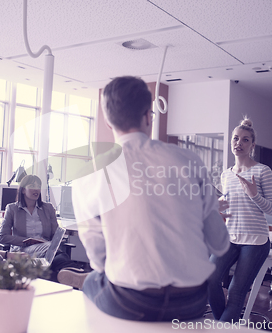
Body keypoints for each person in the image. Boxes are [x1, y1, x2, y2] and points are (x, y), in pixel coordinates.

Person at [71, 76, 230, 322]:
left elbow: (97, 255)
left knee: (94, 278)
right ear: (148, 115)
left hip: (132, 302)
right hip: (193, 301)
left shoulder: (90, 173)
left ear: (107, 120)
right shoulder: (189, 160)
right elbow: (220, 244)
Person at [208, 118, 272, 323]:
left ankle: (223, 327)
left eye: (245, 140)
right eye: (235, 138)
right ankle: (226, 326)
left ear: (252, 145)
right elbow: (230, 205)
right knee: (209, 280)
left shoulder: (263, 171)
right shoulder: (226, 175)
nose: (239, 143)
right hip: (230, 237)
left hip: (255, 241)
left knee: (235, 292)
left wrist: (254, 194)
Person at [0, 175, 86, 282]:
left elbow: (55, 235)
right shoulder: (12, 208)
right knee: (49, 247)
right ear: (23, 190)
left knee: (51, 249)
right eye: (32, 186)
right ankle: (76, 271)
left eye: (38, 186)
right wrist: (26, 241)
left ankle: (69, 273)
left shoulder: (48, 208)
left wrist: (58, 238)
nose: (36, 189)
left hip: (47, 249)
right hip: (23, 250)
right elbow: (2, 237)